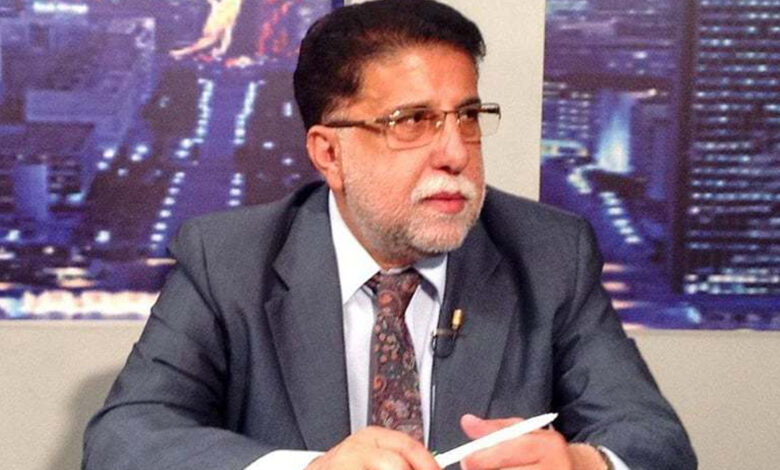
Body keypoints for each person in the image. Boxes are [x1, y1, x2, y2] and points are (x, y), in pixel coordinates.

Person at [83, 1, 696, 469]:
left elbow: (654, 439)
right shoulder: (229, 259)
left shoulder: (548, 253)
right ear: (329, 153)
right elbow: (124, 439)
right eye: (413, 121)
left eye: (467, 117)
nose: (456, 152)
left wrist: (585, 464)